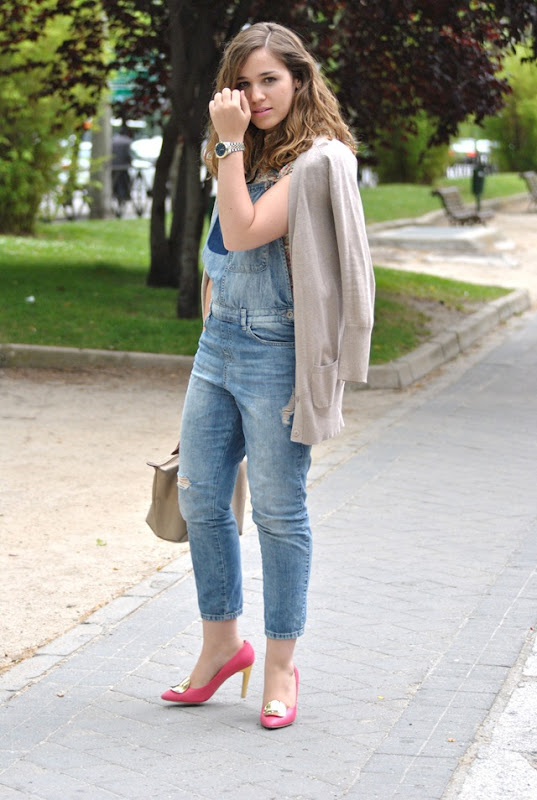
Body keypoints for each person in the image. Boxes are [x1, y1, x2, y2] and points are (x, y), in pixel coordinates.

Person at [160, 21, 375, 729]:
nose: (256, 96)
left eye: (270, 80)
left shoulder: (318, 160)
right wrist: (209, 323)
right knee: (200, 498)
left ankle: (280, 664)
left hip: (275, 353)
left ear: (299, 80)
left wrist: (225, 145)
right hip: (217, 346)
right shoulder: (239, 149)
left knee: (279, 513)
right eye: (243, 83)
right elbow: (219, 250)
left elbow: (246, 228)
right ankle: (223, 645)